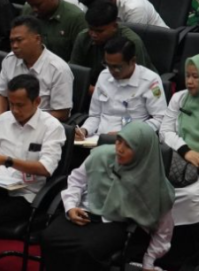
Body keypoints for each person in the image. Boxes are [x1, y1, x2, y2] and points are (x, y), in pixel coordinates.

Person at [0, 73, 66, 271]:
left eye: (20, 105)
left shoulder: (52, 127)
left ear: (37, 101)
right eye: (11, 104)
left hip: (25, 195)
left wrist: (7, 161)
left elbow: (46, 168)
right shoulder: (4, 120)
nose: (15, 110)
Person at [41, 121, 174, 271]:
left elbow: (164, 230)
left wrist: (149, 261)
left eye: (128, 146)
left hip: (116, 221)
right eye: (119, 141)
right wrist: (70, 207)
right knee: (49, 237)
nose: (120, 149)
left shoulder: (153, 181)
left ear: (142, 151)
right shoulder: (101, 156)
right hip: (84, 211)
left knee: (87, 250)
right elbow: (76, 181)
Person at [76, 36, 166, 139]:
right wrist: (85, 130)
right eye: (107, 65)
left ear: (132, 61)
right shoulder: (104, 76)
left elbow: (160, 119)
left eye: (117, 67)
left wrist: (128, 133)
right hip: (99, 138)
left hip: (132, 140)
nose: (112, 71)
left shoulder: (150, 81)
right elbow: (95, 116)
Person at [0, 16, 73, 121]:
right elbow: (0, 94)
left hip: (42, 125)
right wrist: (0, 121)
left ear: (37, 39)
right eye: (12, 41)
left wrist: (27, 123)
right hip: (11, 120)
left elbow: (62, 113)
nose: (14, 46)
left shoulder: (58, 69)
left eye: (19, 40)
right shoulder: (10, 60)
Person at [159, 56, 199, 255]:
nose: (189, 81)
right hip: (178, 158)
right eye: (187, 76)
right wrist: (186, 151)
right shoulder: (179, 98)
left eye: (196, 77)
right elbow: (165, 131)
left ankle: (187, 249)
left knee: (192, 196)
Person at [70, 0, 155, 86]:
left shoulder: (131, 43)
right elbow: (75, 72)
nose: (93, 35)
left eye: (99, 31)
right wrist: (93, 90)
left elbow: (140, 79)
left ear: (114, 26)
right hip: (95, 87)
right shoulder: (84, 37)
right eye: (91, 29)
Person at [22, 0, 87, 61]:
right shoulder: (27, 11)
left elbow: (79, 59)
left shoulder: (76, 18)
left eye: (38, 5)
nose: (34, 9)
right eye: (31, 5)